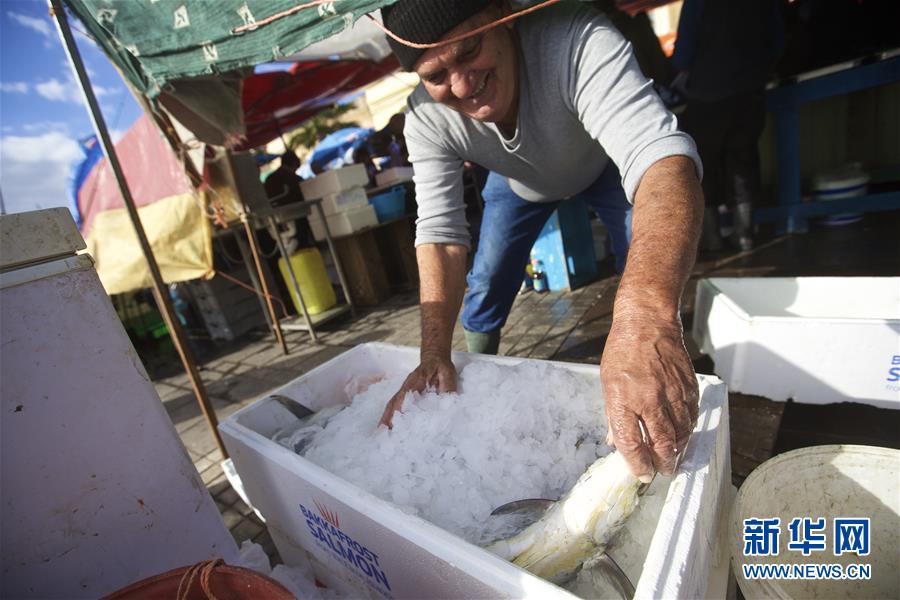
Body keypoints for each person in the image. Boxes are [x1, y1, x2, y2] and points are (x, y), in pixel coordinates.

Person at [377, 0, 704, 482]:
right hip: (519, 186)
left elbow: (661, 161)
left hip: (602, 168)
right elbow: (441, 234)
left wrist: (643, 317)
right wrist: (432, 353)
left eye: (471, 51)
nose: (463, 85)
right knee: (486, 283)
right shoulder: (426, 117)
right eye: (436, 74)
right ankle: (464, 380)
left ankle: (672, 363)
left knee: (645, 272)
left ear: (504, 16)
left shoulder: (573, 39)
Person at [673, 0, 784, 251]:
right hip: (750, 90)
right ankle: (744, 234)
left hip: (708, 93)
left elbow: (683, 53)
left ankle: (712, 237)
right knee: (743, 157)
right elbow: (777, 41)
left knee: (705, 163)